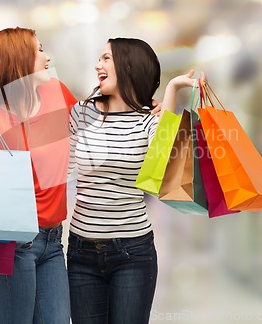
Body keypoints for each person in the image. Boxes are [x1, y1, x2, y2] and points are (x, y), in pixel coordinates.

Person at [67, 37, 200, 324]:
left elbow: (163, 166)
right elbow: (57, 167)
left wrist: (173, 91)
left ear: (128, 67)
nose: (97, 65)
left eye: (105, 59)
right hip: (81, 252)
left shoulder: (148, 120)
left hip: (132, 252)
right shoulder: (80, 112)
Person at [0, 27, 77, 324]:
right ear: (18, 60)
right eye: (39, 50)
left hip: (53, 241)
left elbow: (96, 122)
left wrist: (148, 108)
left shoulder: (59, 94)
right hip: (12, 244)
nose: (47, 57)